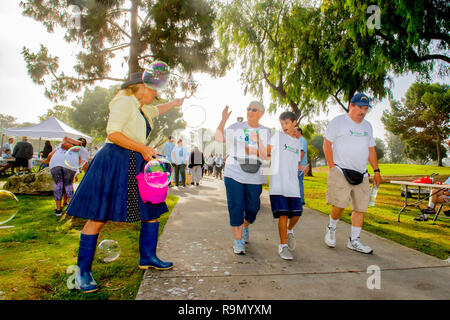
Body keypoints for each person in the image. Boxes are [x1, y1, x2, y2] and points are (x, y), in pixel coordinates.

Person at [65, 71, 184, 293]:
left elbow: (158, 110)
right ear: (142, 86)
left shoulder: (142, 108)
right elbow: (113, 134)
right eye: (154, 90)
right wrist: (143, 148)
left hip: (136, 159)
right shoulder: (124, 101)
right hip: (114, 160)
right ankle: (82, 272)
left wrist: (176, 103)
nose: (155, 95)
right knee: (99, 216)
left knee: (151, 208)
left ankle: (148, 257)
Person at [323, 93, 381, 254]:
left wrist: (376, 170)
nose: (362, 111)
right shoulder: (338, 122)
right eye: (360, 108)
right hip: (341, 170)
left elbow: (371, 150)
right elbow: (327, 144)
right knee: (339, 204)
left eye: (365, 109)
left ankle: (354, 240)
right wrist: (331, 166)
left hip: (362, 173)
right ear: (351, 105)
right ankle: (331, 227)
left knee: (360, 208)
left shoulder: (367, 126)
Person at [215, 101, 271, 255]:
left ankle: (246, 225)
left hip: (254, 174)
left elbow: (266, 155)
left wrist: (256, 142)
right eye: (248, 109)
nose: (250, 111)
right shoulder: (236, 127)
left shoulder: (265, 131)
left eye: (254, 109)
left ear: (261, 113)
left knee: (253, 206)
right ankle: (238, 240)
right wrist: (223, 120)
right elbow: (219, 138)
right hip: (234, 171)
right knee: (236, 205)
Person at [266, 112, 303, 260]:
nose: (284, 126)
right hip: (278, 184)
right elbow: (267, 152)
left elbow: (294, 162)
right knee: (284, 214)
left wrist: (301, 168)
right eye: (282, 123)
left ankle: (289, 231)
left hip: (292, 185)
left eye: (287, 123)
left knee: (297, 214)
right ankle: (283, 246)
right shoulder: (277, 137)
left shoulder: (297, 142)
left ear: (294, 122)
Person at [46, 137, 85, 216]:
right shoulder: (80, 149)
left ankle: (58, 209)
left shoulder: (61, 145)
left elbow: (50, 155)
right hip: (70, 165)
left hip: (56, 163)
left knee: (58, 184)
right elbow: (82, 162)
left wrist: (46, 160)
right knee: (68, 184)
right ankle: (71, 209)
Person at [293, 127, 308, 205]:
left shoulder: (302, 140)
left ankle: (301, 200)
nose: (293, 133)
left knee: (299, 183)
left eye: (295, 131)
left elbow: (302, 152)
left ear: (299, 132)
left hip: (300, 165)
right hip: (297, 165)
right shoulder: (297, 140)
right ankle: (298, 199)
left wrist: (298, 163)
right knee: (296, 183)